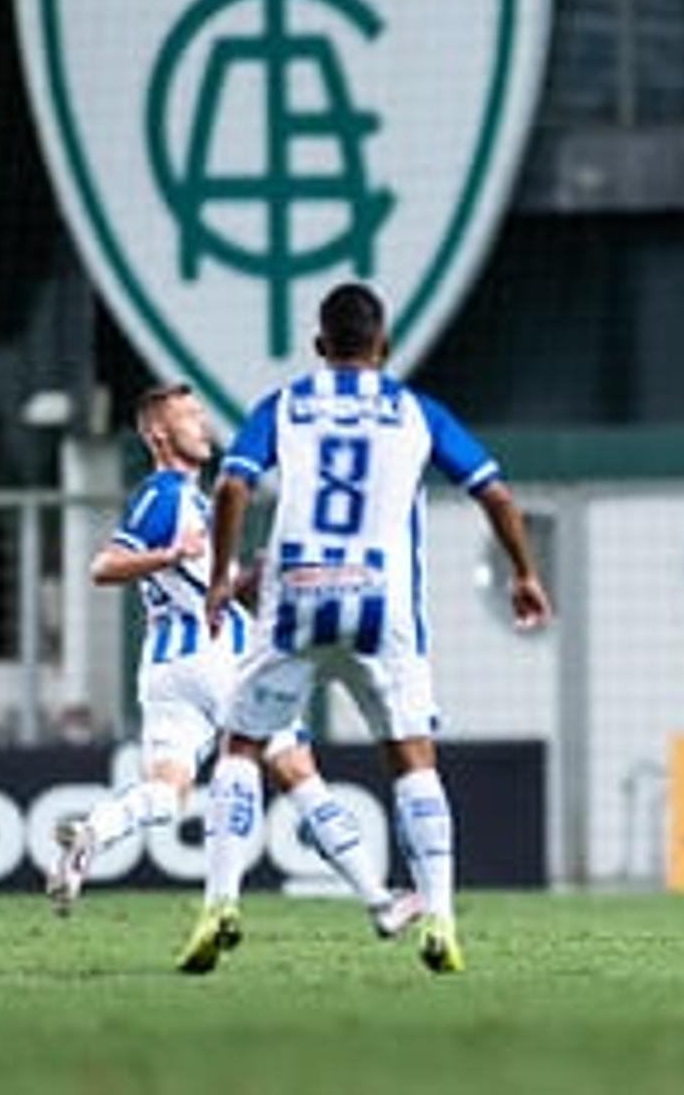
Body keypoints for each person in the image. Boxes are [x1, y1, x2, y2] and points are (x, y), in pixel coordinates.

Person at [176, 283, 551, 975]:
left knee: (241, 748)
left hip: (297, 597)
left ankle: (219, 903)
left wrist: (224, 573)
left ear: (319, 347)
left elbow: (231, 485)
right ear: (384, 347)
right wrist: (524, 572)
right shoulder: (416, 411)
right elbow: (494, 491)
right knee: (413, 760)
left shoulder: (285, 404)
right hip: (384, 604)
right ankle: (438, 918)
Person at [45, 383, 416, 939]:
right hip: (218, 655)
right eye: (187, 417)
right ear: (158, 434)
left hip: (169, 670)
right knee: (297, 771)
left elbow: (201, 584)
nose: (202, 424)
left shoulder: (197, 499)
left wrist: (247, 579)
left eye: (199, 414)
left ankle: (93, 832)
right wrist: (167, 555)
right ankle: (379, 900)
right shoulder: (164, 493)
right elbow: (104, 565)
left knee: (168, 793)